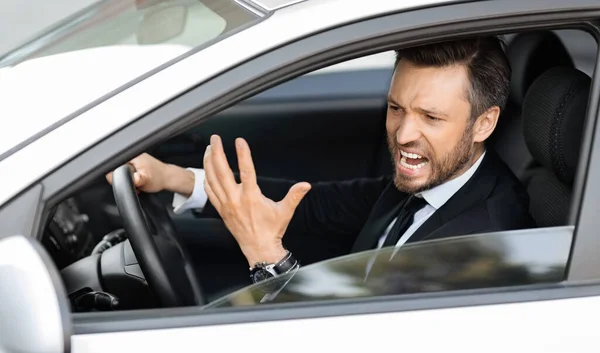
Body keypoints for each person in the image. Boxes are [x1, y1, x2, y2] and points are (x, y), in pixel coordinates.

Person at [107, 36, 535, 278]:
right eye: (395, 108)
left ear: (483, 124)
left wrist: (265, 255)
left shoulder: (478, 243)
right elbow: (319, 208)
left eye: (431, 117)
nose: (404, 133)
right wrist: (175, 178)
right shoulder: (438, 182)